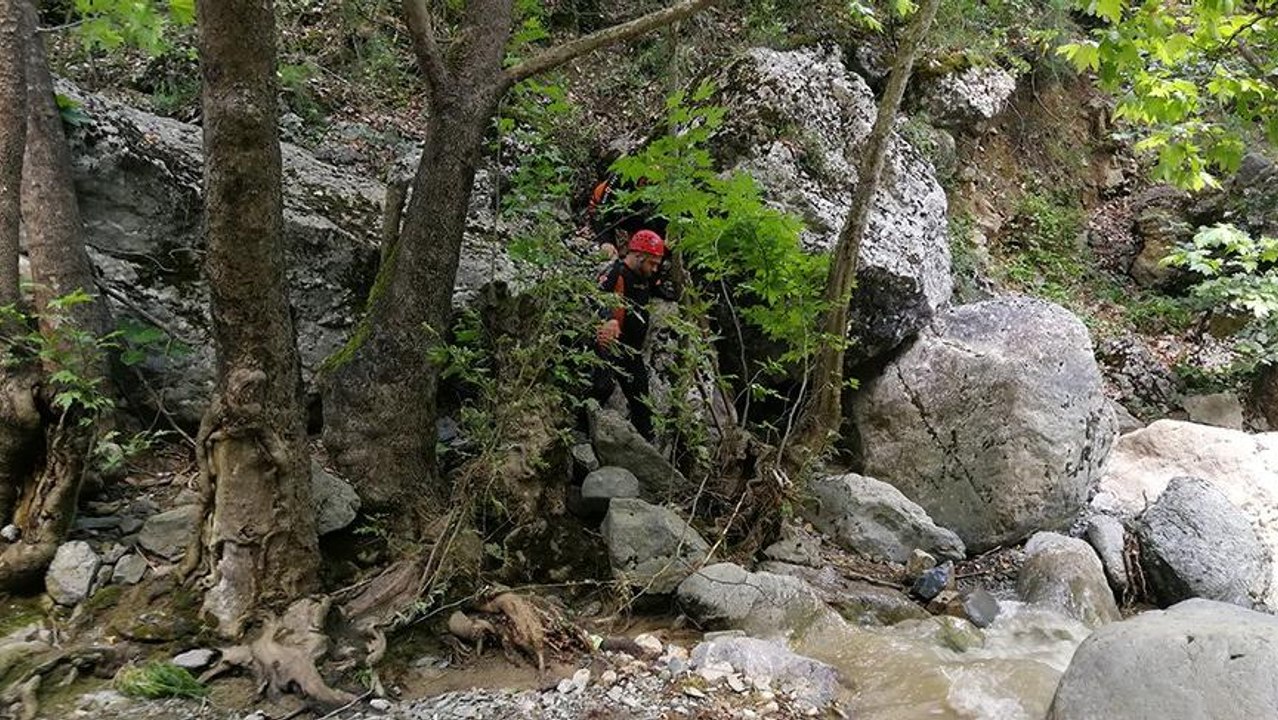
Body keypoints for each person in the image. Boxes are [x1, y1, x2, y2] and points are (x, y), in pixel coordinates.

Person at [590, 229, 666, 440]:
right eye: (652, 263)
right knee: (600, 389)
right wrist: (608, 319)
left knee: (642, 403)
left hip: (633, 353)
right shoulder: (617, 272)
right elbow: (595, 297)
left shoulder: (646, 277)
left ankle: (647, 451)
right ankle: (582, 436)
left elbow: (661, 288)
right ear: (639, 256)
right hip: (611, 348)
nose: (655, 268)